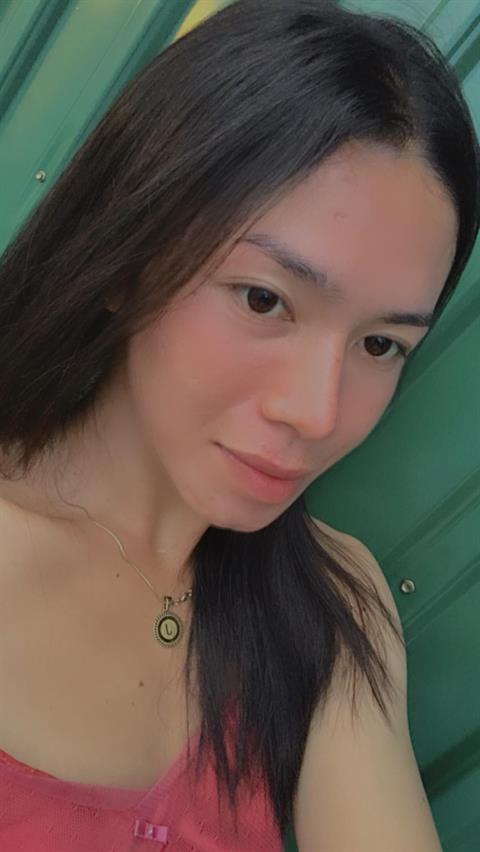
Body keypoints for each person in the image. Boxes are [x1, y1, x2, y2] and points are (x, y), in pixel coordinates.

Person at [0, 0, 478, 849]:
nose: (317, 412)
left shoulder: (331, 607)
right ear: (128, 253)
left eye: (381, 344)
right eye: (264, 299)